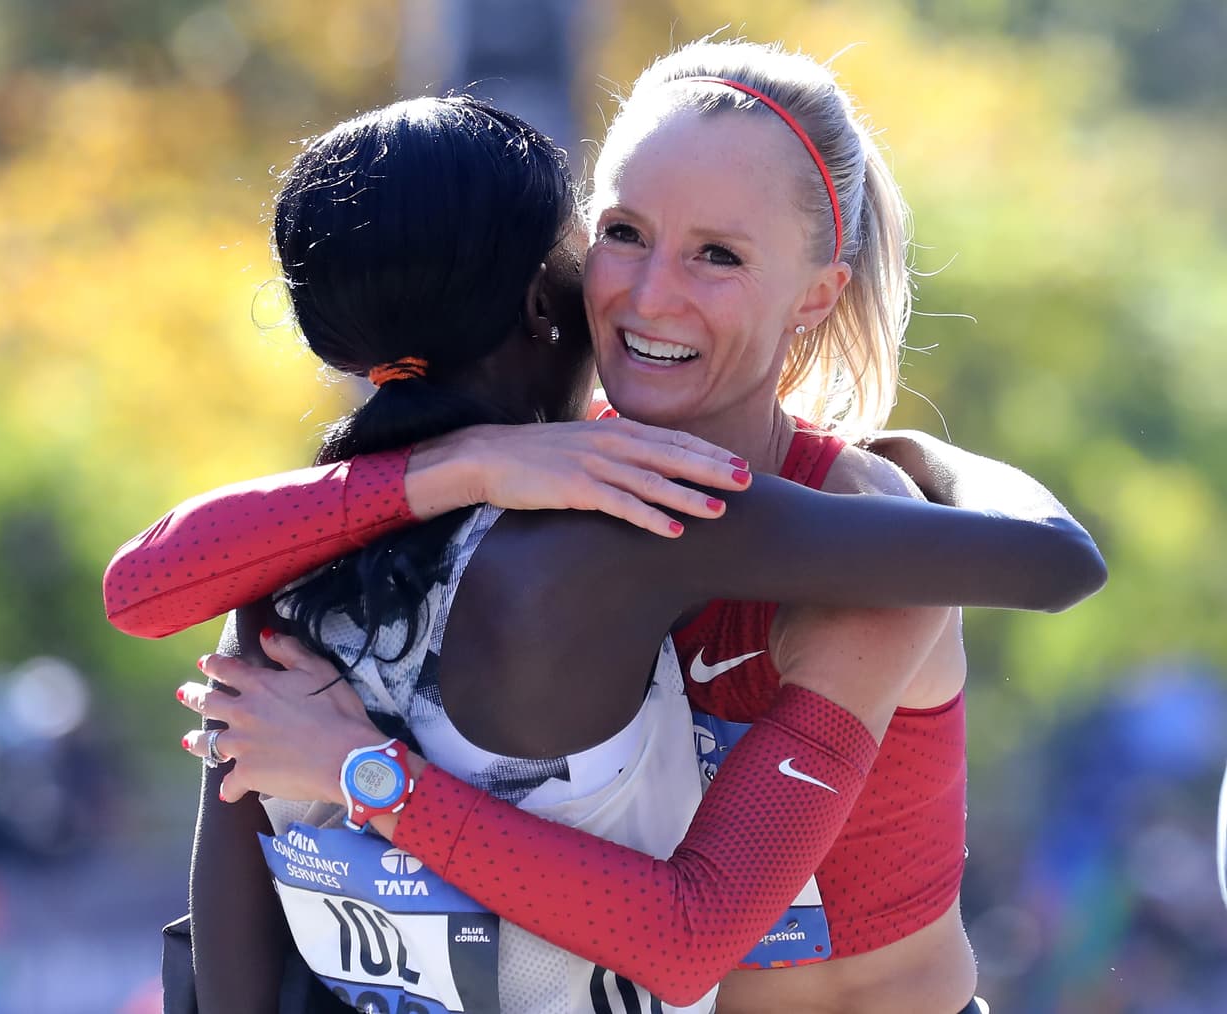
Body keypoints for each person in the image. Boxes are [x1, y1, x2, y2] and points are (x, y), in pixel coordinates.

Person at [110, 42, 1105, 1014]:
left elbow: (689, 936)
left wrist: (934, 469)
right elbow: (153, 590)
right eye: (624, 232)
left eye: (716, 254)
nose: (648, 293)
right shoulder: (529, 487)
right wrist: (453, 468)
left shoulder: (864, 536)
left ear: (815, 293)